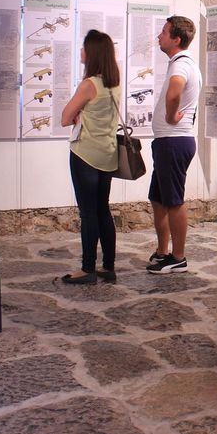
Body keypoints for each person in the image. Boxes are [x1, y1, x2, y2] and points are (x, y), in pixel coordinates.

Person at [59, 30, 122, 285]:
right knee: (103, 210)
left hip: (85, 154)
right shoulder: (114, 83)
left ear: (92, 52)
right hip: (107, 154)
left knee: (88, 214)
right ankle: (108, 267)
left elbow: (65, 118)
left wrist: (78, 114)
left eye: (84, 47)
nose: (81, 51)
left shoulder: (89, 84)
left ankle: (87, 269)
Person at [146, 15, 202, 274]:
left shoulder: (181, 64)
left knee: (173, 201)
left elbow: (174, 92)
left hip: (173, 141)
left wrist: (170, 116)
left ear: (176, 39)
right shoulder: (181, 63)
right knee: (158, 198)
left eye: (164, 32)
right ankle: (162, 251)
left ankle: (178, 257)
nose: (159, 36)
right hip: (168, 142)